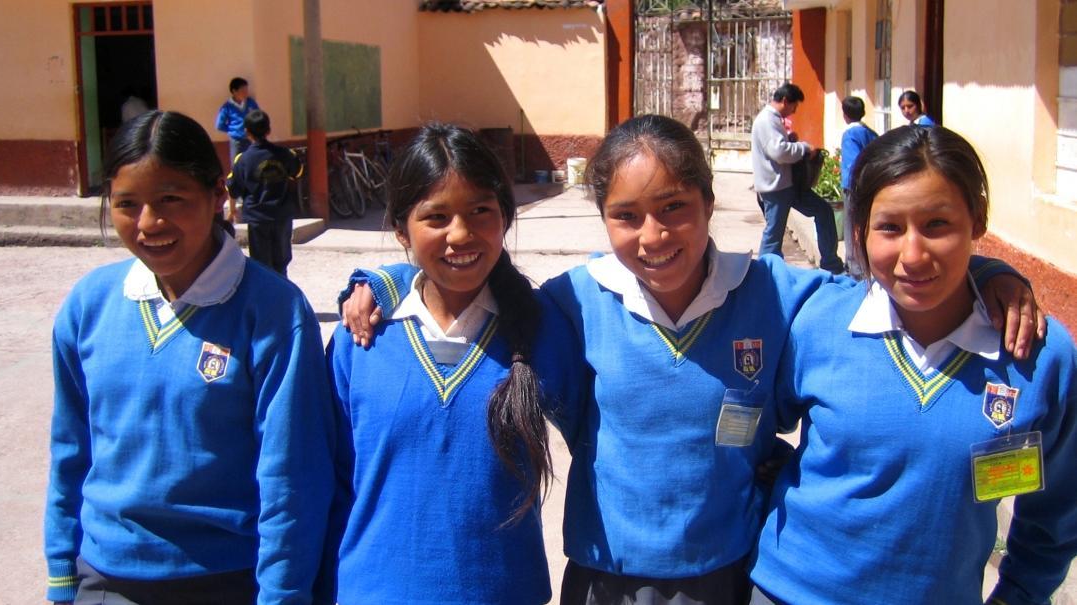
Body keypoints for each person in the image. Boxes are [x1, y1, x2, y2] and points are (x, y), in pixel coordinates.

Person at [340, 116, 1043, 605]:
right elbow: (476, 276)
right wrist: (386, 281)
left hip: (728, 573)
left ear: (711, 202)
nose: (654, 235)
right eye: (627, 215)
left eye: (675, 206)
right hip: (604, 573)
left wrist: (982, 272)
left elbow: (895, 275)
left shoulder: (777, 294)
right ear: (603, 219)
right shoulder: (575, 302)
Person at [750, 125, 1076, 605]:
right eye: (889, 227)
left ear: (977, 221)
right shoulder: (816, 323)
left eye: (938, 225)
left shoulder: (1037, 358)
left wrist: (1018, 595)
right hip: (789, 591)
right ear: (859, 232)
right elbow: (748, 421)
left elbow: (1056, 510)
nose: (913, 255)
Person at [43, 110, 336, 605]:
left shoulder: (270, 311)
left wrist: (283, 594)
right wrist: (60, 574)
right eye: (127, 204)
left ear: (218, 195)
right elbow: (71, 450)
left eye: (170, 200)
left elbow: (292, 474)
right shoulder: (89, 305)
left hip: (225, 579)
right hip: (105, 577)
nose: (148, 223)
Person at [325, 123, 586, 604]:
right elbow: (328, 480)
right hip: (374, 590)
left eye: (480, 211)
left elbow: (602, 448)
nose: (460, 234)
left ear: (506, 218)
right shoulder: (363, 336)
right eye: (436, 217)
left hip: (502, 590)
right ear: (401, 229)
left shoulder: (540, 326)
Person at [752, 83, 845, 273]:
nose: (794, 111)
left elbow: (778, 147)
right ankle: (764, 273)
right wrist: (803, 148)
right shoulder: (767, 120)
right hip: (776, 187)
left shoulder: (772, 119)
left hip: (786, 184)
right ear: (785, 101)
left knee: (823, 211)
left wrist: (791, 140)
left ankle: (831, 263)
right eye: (794, 106)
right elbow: (778, 152)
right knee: (774, 234)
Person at [227, 109, 302, 277]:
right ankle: (283, 295)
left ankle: (267, 298)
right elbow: (297, 172)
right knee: (281, 262)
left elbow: (233, 188)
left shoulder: (243, 159)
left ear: (247, 132)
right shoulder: (285, 154)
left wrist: (233, 210)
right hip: (282, 216)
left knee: (261, 264)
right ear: (268, 130)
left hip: (258, 218)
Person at [839, 95, 878, 278]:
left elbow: (853, 162)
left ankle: (855, 268)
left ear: (845, 114)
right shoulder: (869, 132)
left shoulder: (849, 135)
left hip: (854, 185)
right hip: (870, 184)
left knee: (851, 225)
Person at [215, 77, 260, 165]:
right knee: (237, 164)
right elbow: (219, 125)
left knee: (252, 162)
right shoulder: (227, 107)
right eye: (243, 91)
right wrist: (233, 131)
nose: (246, 93)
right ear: (234, 91)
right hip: (237, 141)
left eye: (246, 90)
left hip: (251, 138)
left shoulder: (251, 103)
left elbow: (258, 116)